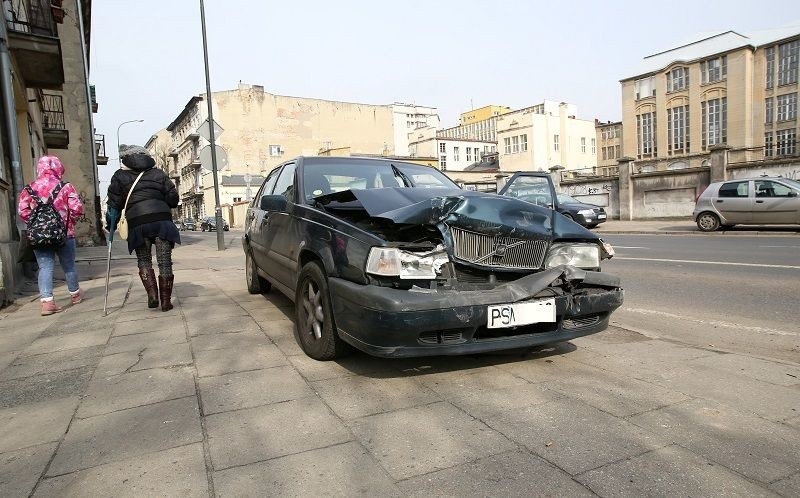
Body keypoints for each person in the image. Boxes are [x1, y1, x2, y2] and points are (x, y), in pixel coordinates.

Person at [106, 145, 180, 311]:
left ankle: (153, 295)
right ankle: (166, 302)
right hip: (162, 222)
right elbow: (173, 197)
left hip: (137, 223)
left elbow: (114, 204)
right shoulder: (158, 173)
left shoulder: (119, 176)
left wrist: (110, 223)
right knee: (165, 262)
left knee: (144, 260)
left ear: (125, 159)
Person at [18, 156, 85, 315]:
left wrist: (38, 224)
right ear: (58, 168)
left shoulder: (29, 188)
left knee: (45, 267)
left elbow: (23, 211)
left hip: (39, 235)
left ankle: (47, 303)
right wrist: (68, 223)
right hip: (65, 234)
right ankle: (75, 295)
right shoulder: (66, 187)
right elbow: (77, 208)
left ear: (39, 168)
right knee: (68, 265)